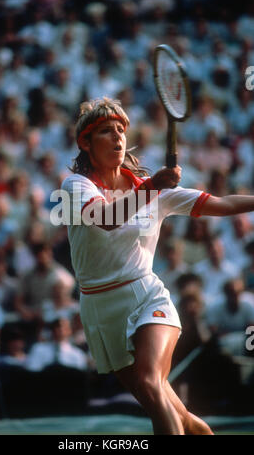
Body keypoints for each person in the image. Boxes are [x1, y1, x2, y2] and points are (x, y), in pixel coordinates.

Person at [61, 97, 254, 435]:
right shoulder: (76, 186)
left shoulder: (156, 192)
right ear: (85, 143)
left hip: (147, 296)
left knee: (151, 382)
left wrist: (154, 188)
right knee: (183, 420)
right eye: (106, 131)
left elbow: (222, 204)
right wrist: (153, 186)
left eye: (121, 129)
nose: (118, 136)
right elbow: (105, 219)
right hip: (100, 308)